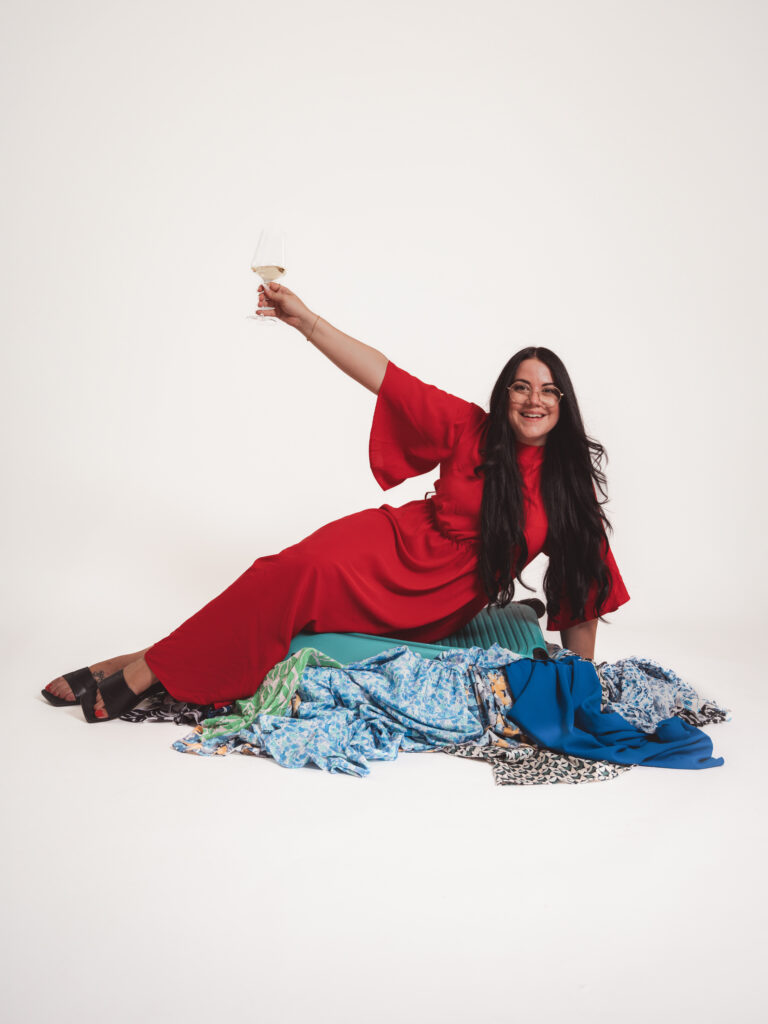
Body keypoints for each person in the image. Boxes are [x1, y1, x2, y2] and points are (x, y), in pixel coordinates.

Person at [42, 281, 629, 722]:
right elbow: (385, 376)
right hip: (385, 547)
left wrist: (581, 682)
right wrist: (306, 321)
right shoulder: (470, 426)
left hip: (434, 603)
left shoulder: (566, 486)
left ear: (563, 404)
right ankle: (144, 668)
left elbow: (584, 585)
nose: (533, 400)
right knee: (281, 576)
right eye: (521, 387)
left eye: (547, 391)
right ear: (505, 395)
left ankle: (139, 661)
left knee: (295, 635)